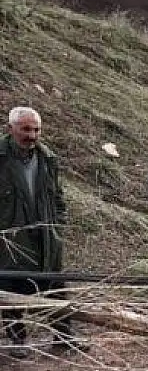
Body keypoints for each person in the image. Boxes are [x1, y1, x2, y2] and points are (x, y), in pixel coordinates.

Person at [0, 106, 87, 357]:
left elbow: (58, 196)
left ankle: (63, 338)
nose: (32, 135)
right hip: (11, 239)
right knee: (12, 289)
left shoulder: (47, 159)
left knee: (55, 288)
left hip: (46, 237)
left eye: (36, 129)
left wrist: (58, 223)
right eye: (26, 129)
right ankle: (18, 342)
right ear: (11, 128)